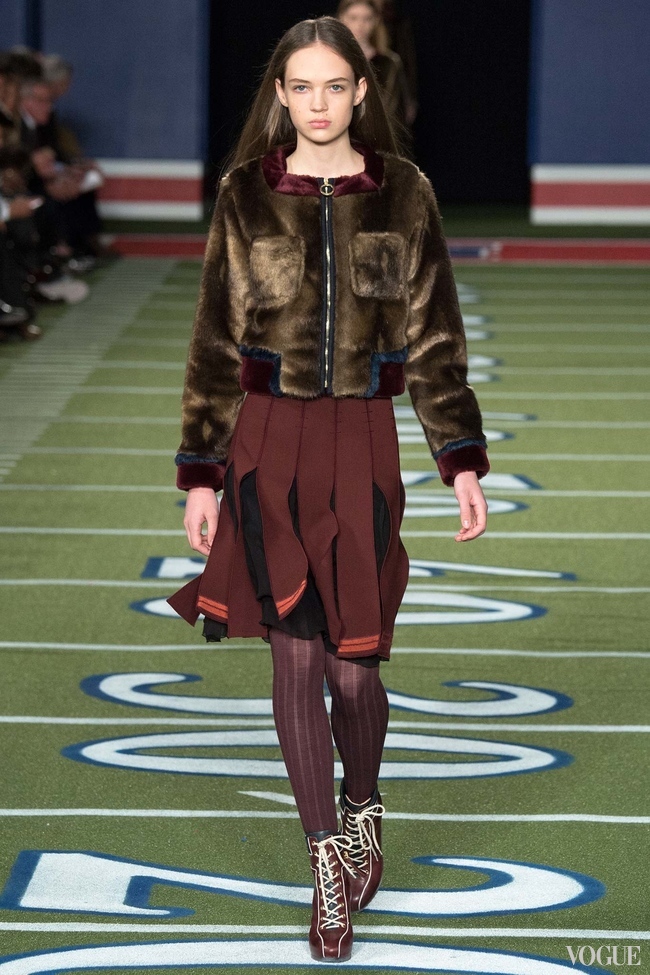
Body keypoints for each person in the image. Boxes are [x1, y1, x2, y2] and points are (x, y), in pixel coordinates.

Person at [168, 15, 488, 963]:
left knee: (354, 671)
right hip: (268, 446)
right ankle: (324, 867)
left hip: (362, 446)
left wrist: (461, 457)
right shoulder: (244, 194)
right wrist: (200, 473)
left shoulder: (404, 192)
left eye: (333, 86)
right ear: (280, 94)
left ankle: (363, 804)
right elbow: (214, 340)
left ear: (360, 91)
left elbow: (435, 339)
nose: (317, 103)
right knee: (295, 662)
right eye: (300, 87)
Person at [337, 0, 412, 137]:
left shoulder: (388, 63)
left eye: (367, 18)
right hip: (336, 137)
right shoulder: (331, 60)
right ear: (342, 18)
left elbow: (395, 113)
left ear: (376, 20)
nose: (360, 24)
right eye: (353, 18)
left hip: (377, 139)